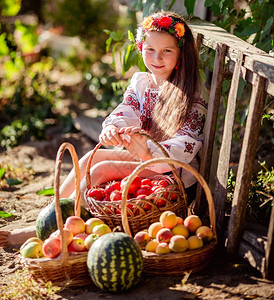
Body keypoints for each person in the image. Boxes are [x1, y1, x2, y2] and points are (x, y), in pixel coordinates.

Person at [0, 11, 207, 247]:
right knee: (91, 156)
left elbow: (185, 145)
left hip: (172, 171)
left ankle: (53, 229)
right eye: (150, 49)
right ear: (141, 47)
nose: (156, 58)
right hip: (145, 157)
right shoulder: (142, 82)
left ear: (181, 53)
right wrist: (113, 128)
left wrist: (149, 152)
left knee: (103, 168)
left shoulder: (191, 96)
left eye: (166, 51)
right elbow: (126, 109)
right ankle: (48, 217)